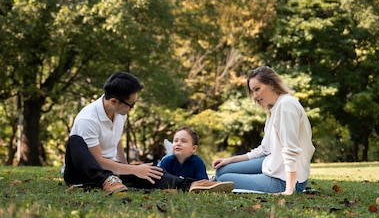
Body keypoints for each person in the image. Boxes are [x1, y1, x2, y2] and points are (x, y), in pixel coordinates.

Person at [63, 71, 234, 195]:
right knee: (75, 141)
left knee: (151, 172)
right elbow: (98, 161)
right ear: (114, 101)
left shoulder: (119, 113)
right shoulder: (88, 119)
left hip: (112, 171)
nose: (132, 108)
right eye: (131, 104)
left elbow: (116, 142)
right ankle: (105, 181)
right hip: (83, 172)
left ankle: (192, 185)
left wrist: (130, 167)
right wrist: (131, 169)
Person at [212, 66, 315, 195]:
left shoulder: (286, 105)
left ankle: (213, 182)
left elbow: (291, 149)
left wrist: (289, 189)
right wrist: (230, 160)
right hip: (273, 163)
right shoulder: (273, 108)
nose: (255, 96)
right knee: (221, 170)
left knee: (223, 179)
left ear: (271, 84)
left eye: (257, 89)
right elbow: (264, 149)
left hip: (285, 180)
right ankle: (218, 177)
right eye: (252, 91)